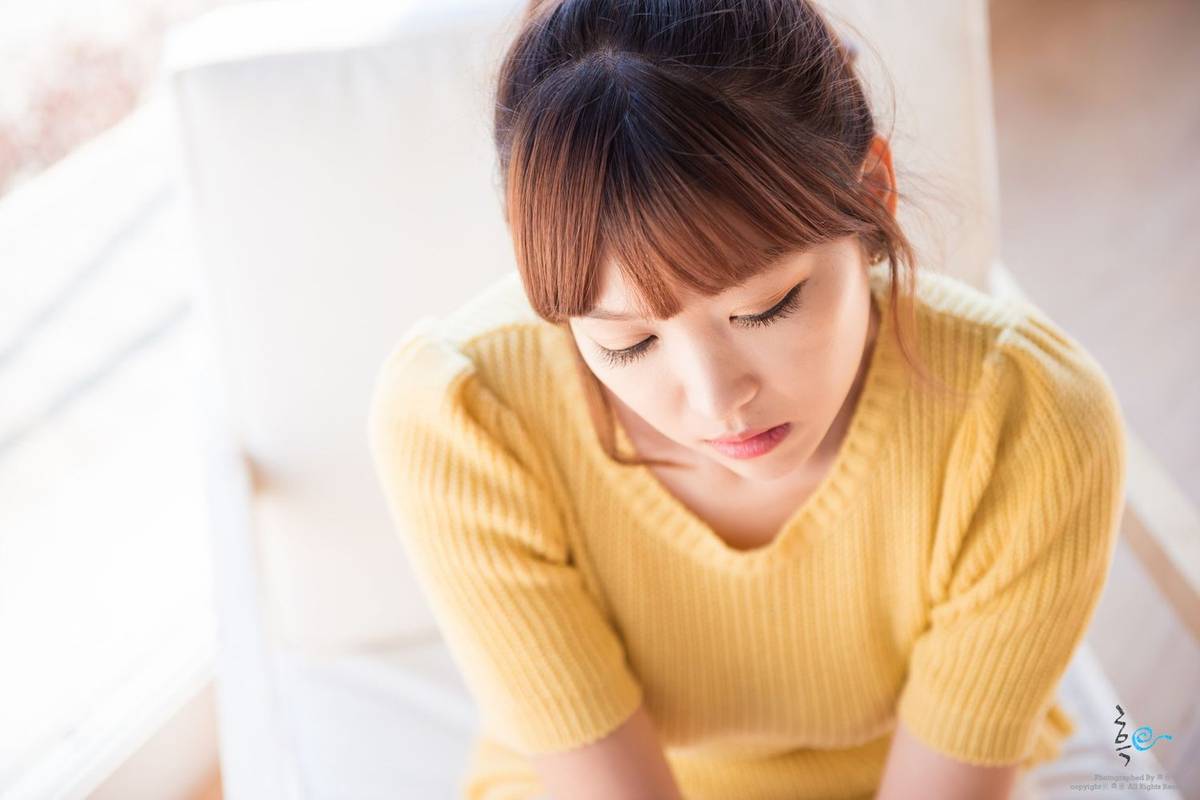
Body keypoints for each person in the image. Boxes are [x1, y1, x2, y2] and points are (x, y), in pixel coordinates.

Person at [366, 1, 1127, 798]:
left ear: (873, 192)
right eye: (627, 344)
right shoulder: (464, 420)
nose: (716, 400)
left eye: (765, 309)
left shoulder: (1024, 424)